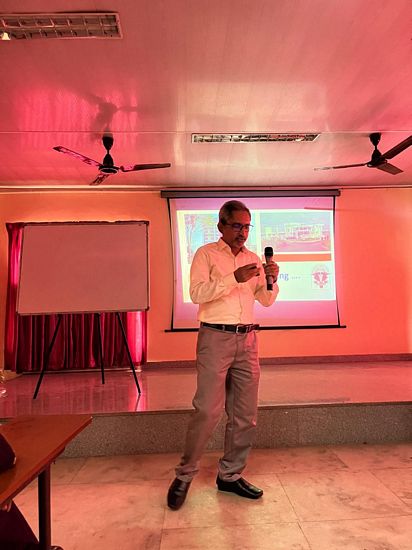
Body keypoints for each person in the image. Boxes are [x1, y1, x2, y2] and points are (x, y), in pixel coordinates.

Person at [167, 200, 279, 510]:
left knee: (245, 415)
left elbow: (266, 300)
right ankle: (184, 475)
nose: (242, 232)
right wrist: (234, 278)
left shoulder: (253, 259)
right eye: (237, 226)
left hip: (248, 339)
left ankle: (230, 475)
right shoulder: (206, 254)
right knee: (207, 410)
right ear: (221, 226)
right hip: (215, 337)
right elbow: (197, 293)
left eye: (247, 227)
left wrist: (272, 279)